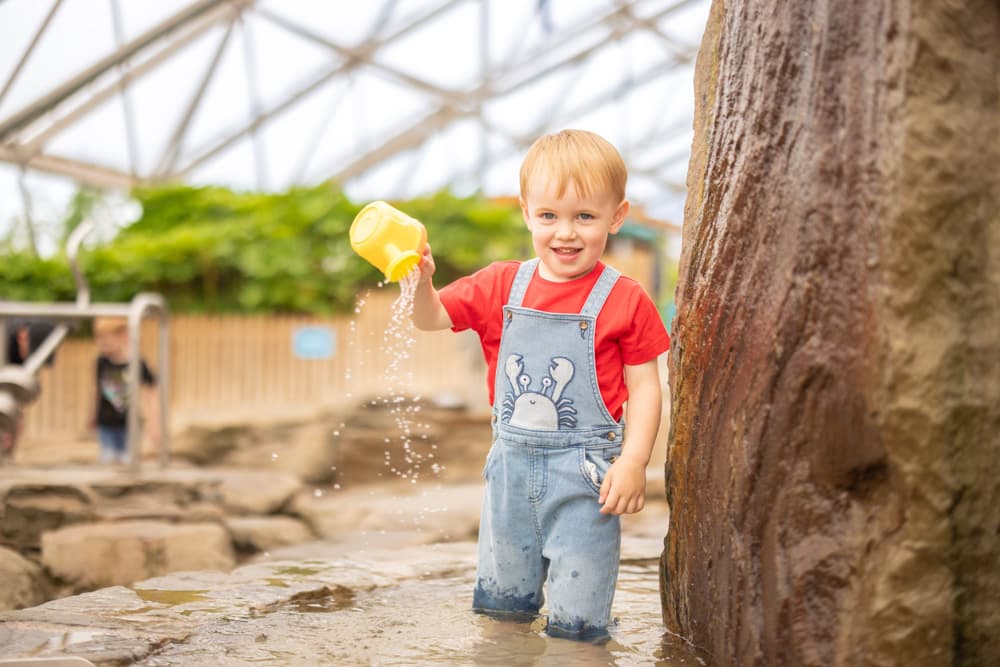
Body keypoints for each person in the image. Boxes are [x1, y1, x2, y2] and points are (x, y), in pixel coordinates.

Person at [410, 129, 670, 640]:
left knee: (579, 628)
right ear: (527, 212)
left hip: (585, 483)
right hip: (509, 482)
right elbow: (431, 317)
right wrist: (421, 284)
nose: (565, 233)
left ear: (616, 217)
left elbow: (646, 388)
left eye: (585, 217)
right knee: (501, 617)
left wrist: (634, 461)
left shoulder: (626, 299)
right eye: (549, 216)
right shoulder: (500, 284)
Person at [89, 317, 160, 465]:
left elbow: (152, 392)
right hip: (106, 424)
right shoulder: (101, 362)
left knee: (129, 461)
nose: (101, 343)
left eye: (105, 338)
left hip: (130, 425)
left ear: (123, 336)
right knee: (107, 460)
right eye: (98, 338)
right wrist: (92, 415)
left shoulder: (137, 363)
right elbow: (97, 390)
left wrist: (153, 423)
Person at [1, 319, 57, 459]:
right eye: (32, 352)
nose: (32, 358)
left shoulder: (30, 350)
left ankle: (7, 459)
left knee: (14, 418)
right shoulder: (4, 339)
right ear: (23, 336)